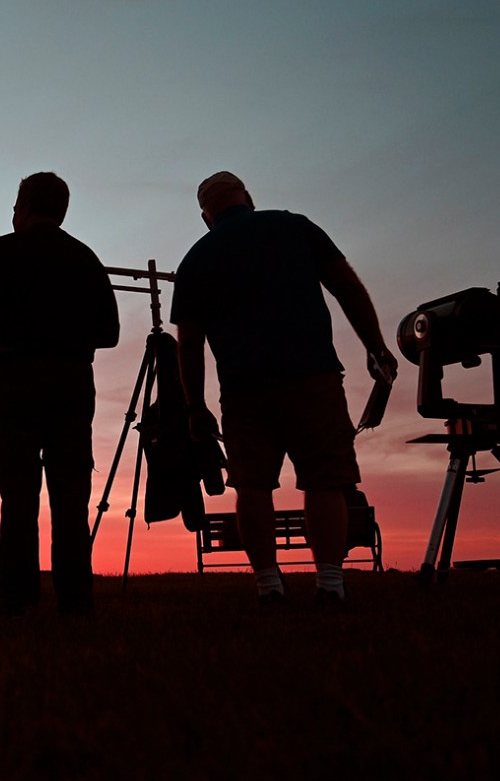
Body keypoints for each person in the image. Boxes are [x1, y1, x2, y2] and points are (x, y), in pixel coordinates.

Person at [170, 171, 398, 605]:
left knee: (252, 487)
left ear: (206, 217)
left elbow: (190, 343)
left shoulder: (196, 259)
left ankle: (268, 584)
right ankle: (330, 582)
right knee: (324, 481)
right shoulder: (294, 226)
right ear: (248, 198)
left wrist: (195, 405)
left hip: (243, 390)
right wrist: (375, 346)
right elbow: (345, 285)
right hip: (312, 377)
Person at [0, 172, 119, 616]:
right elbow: (111, 333)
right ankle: (75, 598)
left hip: (17, 380)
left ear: (22, 205)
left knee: (18, 490)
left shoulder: (4, 250)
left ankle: (19, 593)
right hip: (72, 381)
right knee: (71, 493)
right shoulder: (84, 257)